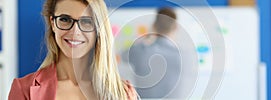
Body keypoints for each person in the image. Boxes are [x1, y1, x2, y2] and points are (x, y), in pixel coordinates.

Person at [8, 0, 138, 100]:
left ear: (99, 29)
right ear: (53, 23)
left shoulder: (124, 93)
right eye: (65, 19)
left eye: (86, 21)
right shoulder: (23, 89)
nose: (75, 32)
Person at [126, 7, 182, 99]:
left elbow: (123, 55)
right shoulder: (184, 56)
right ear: (176, 27)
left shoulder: (139, 52)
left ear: (154, 25)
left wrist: (146, 39)